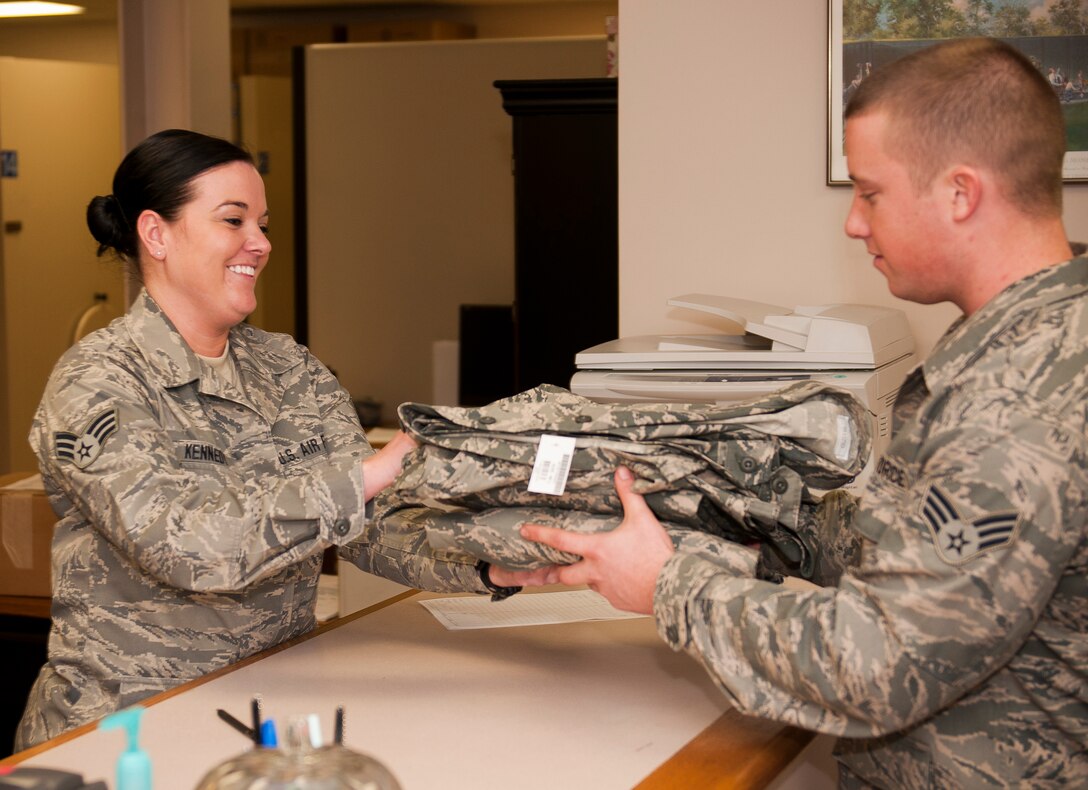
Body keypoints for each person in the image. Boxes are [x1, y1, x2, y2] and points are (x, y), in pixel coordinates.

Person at [499, 38, 1088, 786]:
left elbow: (877, 662)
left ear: (961, 194)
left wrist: (667, 585)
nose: (853, 222)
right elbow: (908, 551)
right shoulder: (1039, 337)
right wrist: (739, 508)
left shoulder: (1019, 397)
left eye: (870, 192)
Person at [15, 129, 500, 750]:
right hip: (130, 727)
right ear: (156, 234)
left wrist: (491, 564)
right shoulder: (98, 382)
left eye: (262, 223)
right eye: (233, 220)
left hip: (267, 707)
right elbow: (185, 547)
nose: (260, 244)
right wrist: (371, 472)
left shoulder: (285, 366)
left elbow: (369, 523)